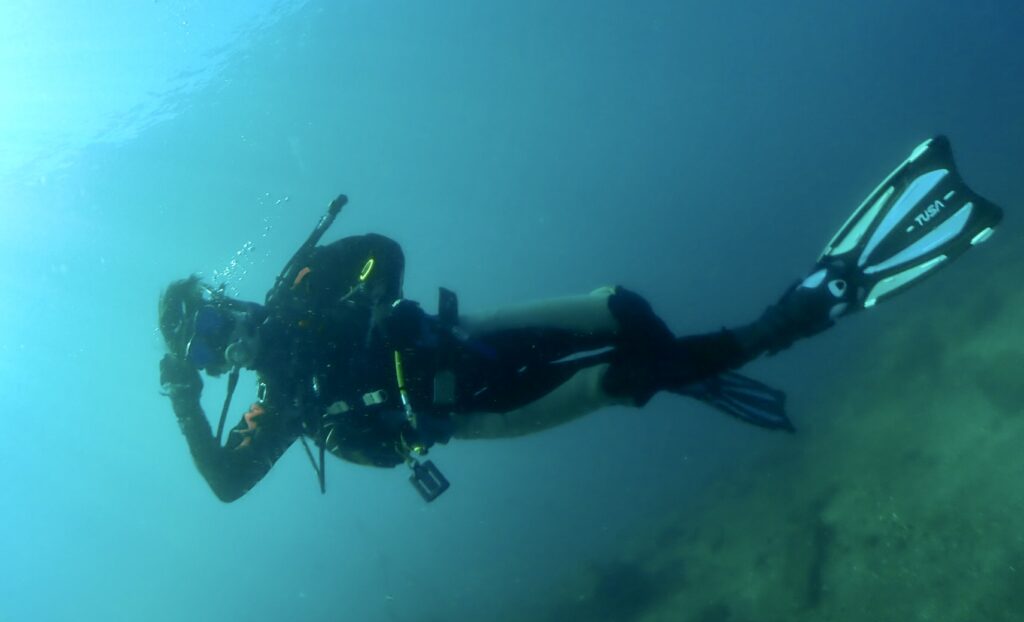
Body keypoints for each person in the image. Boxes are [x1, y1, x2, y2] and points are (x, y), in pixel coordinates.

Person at [158, 136, 1003, 503]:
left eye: (212, 321)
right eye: (204, 350)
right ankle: (794, 317)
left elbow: (383, 249)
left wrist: (367, 303)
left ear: (224, 299)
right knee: (616, 379)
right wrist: (186, 405)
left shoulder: (302, 285)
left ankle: (698, 366)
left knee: (618, 307)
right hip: (468, 413)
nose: (223, 339)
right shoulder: (281, 404)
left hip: (469, 336)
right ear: (209, 366)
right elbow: (228, 485)